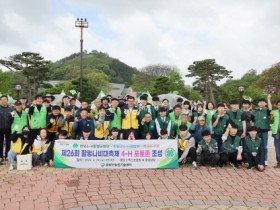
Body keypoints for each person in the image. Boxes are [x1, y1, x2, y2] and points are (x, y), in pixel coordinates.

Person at [251, 96, 272, 166]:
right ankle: (258, 160)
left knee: (264, 146)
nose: (261, 103)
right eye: (260, 102)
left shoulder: (266, 110)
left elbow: (270, 109)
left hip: (264, 131)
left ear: (265, 103)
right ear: (258, 103)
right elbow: (252, 121)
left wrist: (268, 99)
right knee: (256, 145)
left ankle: (265, 160)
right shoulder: (254, 111)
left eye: (263, 102)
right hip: (256, 131)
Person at [0, 95, 13, 162]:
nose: (4, 101)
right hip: (0, 128)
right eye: (2, 99)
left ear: (7, 100)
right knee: (0, 143)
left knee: (8, 143)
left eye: (5, 99)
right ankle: (1, 156)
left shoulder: (11, 109)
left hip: (9, 128)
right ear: (0, 100)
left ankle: (7, 155)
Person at [271, 100, 280, 168]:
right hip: (276, 132)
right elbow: (271, 120)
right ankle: (279, 163)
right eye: (279, 105)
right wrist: (271, 116)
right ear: (277, 106)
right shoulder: (274, 112)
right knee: (277, 148)